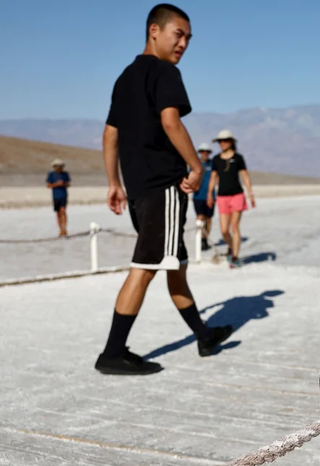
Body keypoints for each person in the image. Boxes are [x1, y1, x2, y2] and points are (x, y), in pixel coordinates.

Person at [95, 4, 232, 376]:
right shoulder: (165, 72)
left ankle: (203, 335)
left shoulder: (125, 77)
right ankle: (112, 352)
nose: (184, 44)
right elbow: (171, 122)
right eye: (178, 34)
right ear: (154, 30)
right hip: (163, 188)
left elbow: (110, 134)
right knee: (146, 266)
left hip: (140, 189)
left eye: (188, 38)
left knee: (176, 266)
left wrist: (114, 183)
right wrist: (197, 165)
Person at [207, 129, 256, 268]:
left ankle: (235, 257)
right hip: (222, 196)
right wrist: (210, 193)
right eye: (220, 141)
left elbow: (245, 176)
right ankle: (231, 247)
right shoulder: (216, 159)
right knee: (224, 230)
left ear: (231, 142)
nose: (222, 143)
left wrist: (250, 193)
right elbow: (213, 177)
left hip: (237, 195)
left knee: (234, 226)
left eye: (225, 141)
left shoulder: (238, 158)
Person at [192, 142, 215, 251]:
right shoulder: (195, 164)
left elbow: (216, 177)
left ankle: (205, 238)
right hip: (198, 196)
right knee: (200, 218)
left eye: (206, 152)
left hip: (210, 196)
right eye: (202, 152)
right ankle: (199, 239)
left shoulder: (213, 165)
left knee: (208, 219)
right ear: (200, 153)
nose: (204, 154)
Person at [46, 159, 71, 237]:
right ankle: (60, 229)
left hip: (63, 195)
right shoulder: (51, 174)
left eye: (60, 166)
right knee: (58, 213)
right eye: (57, 166)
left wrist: (63, 184)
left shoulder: (65, 174)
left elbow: (68, 184)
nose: (59, 168)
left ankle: (64, 229)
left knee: (63, 210)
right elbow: (48, 185)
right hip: (56, 195)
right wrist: (56, 185)